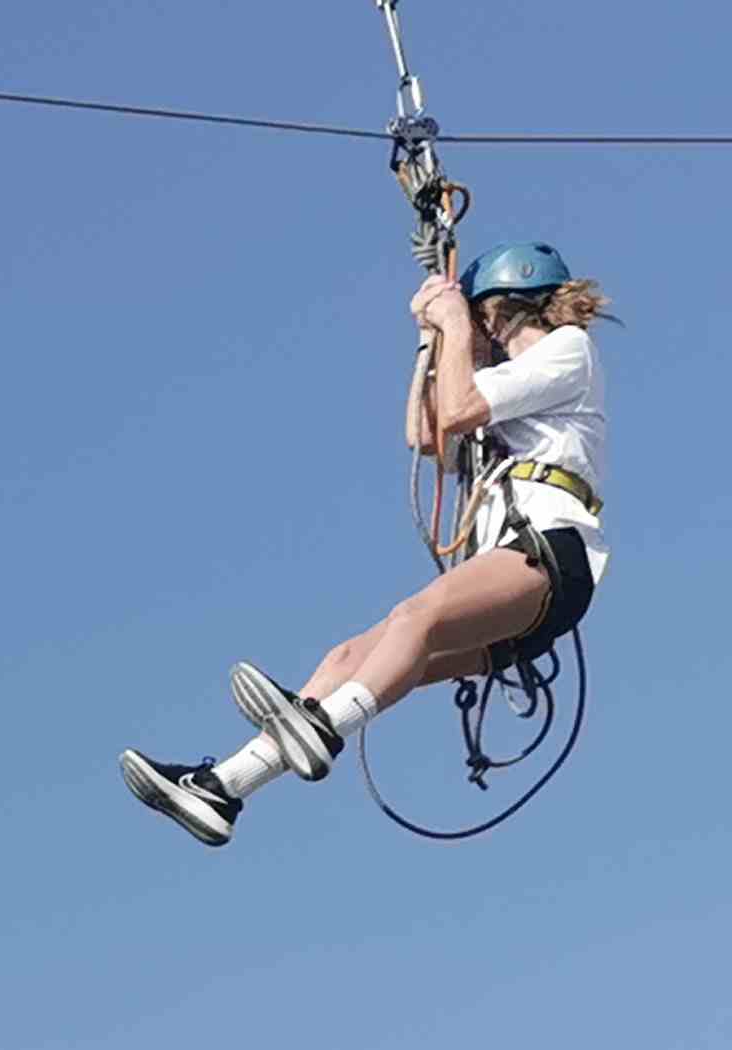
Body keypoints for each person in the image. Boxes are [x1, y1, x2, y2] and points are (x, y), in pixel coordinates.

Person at [121, 243, 613, 846]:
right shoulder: (504, 390)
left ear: (499, 311)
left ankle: (323, 727)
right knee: (349, 658)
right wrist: (431, 342)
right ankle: (223, 787)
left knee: (416, 618)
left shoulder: (567, 350)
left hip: (547, 553)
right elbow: (425, 436)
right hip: (516, 572)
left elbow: (457, 410)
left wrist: (455, 325)